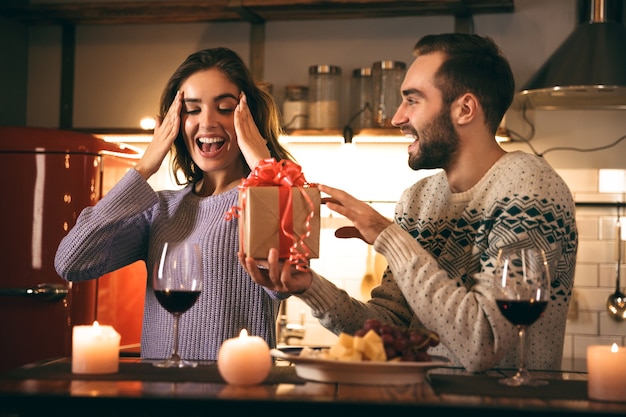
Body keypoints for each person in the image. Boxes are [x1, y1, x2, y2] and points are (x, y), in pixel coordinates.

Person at [241, 33, 578, 373]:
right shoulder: (418, 200)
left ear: (465, 109)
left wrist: (388, 237)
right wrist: (310, 287)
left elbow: (483, 343)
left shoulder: (529, 187)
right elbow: (390, 329)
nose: (397, 117)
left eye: (412, 100)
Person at [55, 47, 295, 361]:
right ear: (176, 123)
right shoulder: (162, 209)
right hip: (159, 400)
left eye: (224, 107)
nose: (207, 122)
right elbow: (71, 262)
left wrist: (263, 166)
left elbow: (284, 282)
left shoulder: (264, 201)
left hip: (236, 398)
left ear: (248, 118)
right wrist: (144, 168)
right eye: (192, 110)